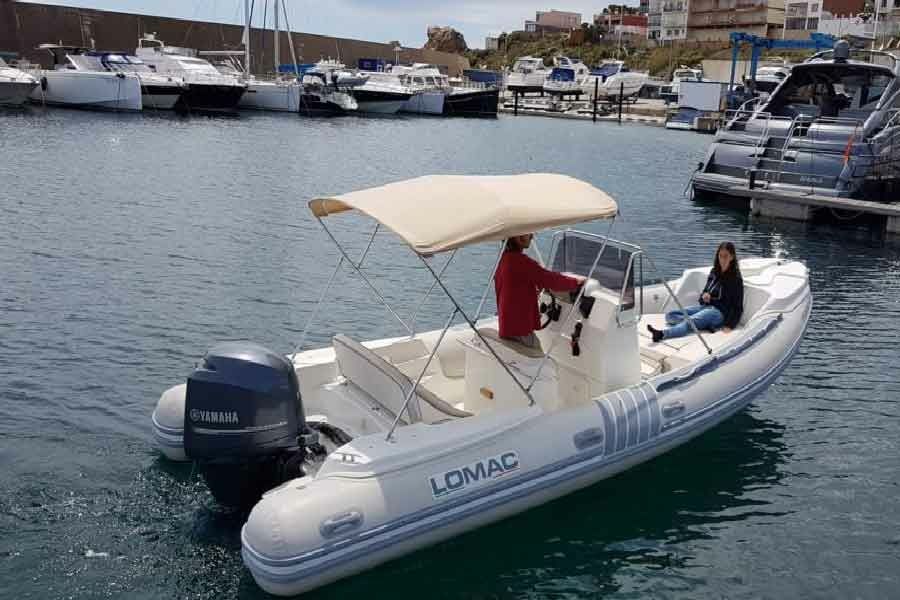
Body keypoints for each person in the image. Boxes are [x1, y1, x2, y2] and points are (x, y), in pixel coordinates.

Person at [494, 233, 583, 349]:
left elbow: (515, 285)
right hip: (520, 330)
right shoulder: (522, 262)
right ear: (517, 237)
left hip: (507, 327)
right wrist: (576, 282)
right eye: (528, 233)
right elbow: (550, 280)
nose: (532, 237)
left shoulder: (503, 259)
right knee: (537, 351)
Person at [647, 242, 744, 343]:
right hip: (705, 307)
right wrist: (704, 296)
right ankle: (701, 324)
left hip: (719, 313)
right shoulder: (714, 272)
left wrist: (730, 326)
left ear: (732, 257)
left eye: (726, 256)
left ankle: (662, 334)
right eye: (720, 256)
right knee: (670, 315)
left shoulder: (735, 279)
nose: (722, 259)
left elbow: (738, 307)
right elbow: (705, 291)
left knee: (689, 322)